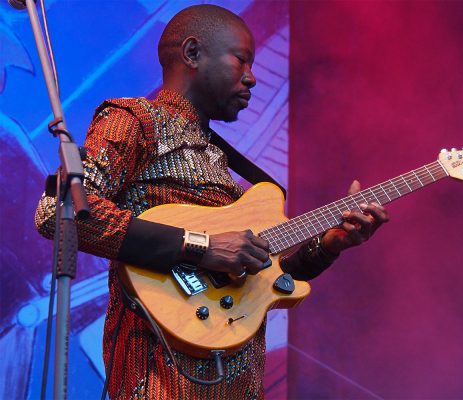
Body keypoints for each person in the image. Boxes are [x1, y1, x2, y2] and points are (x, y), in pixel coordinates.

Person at [35, 4, 389, 399]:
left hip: (238, 384)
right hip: (158, 382)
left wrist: (328, 245)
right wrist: (201, 247)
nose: (252, 78)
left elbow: (265, 281)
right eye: (241, 60)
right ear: (192, 53)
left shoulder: (227, 170)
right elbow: (58, 213)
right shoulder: (135, 120)